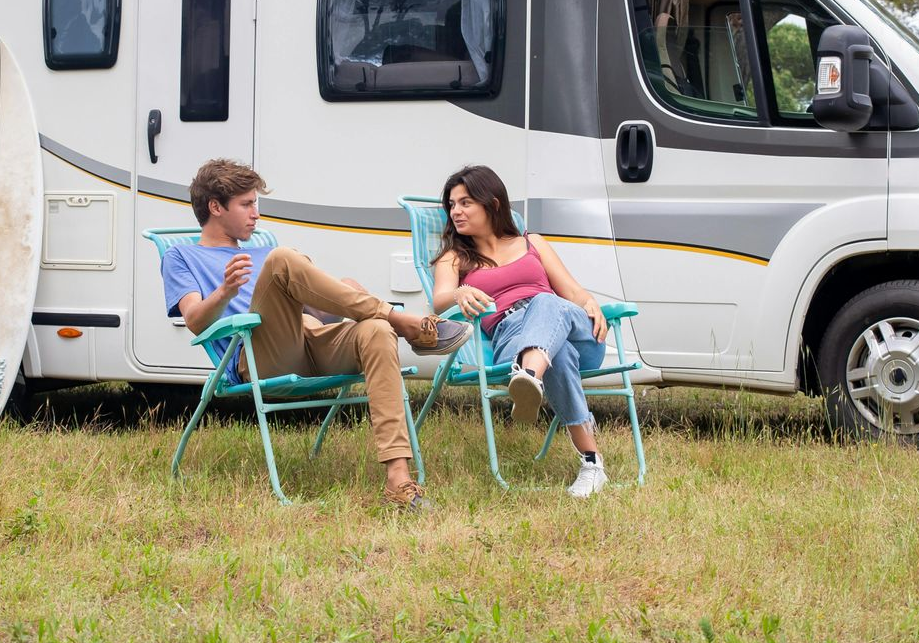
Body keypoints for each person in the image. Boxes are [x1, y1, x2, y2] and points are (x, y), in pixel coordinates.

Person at [162, 158, 472, 509]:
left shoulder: (263, 252)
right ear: (215, 207)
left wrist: (349, 294)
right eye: (246, 204)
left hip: (309, 339)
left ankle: (398, 480)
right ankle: (404, 322)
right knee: (284, 258)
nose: (256, 215)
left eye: (255, 204)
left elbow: (318, 310)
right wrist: (225, 292)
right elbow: (194, 321)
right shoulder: (182, 256)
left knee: (374, 330)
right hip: (258, 352)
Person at [430, 165, 613, 497]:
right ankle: (592, 463)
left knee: (546, 302)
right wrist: (458, 292)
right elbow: (439, 301)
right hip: (511, 334)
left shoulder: (533, 243)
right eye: (452, 205)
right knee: (558, 354)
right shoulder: (455, 257)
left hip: (572, 327)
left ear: (493, 203)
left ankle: (528, 376)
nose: (456, 211)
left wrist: (590, 303)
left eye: (466, 202)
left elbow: (571, 292)